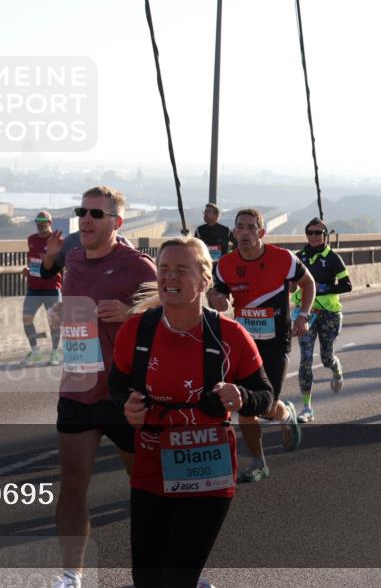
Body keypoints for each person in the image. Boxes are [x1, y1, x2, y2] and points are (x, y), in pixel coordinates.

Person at [110, 237, 274, 588]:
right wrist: (128, 406)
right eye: (164, 269)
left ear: (204, 280)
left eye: (181, 269)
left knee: (176, 578)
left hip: (207, 474)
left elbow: (264, 395)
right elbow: (116, 385)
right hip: (151, 469)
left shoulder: (230, 335)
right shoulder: (136, 331)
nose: (170, 277)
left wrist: (239, 395)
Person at [38, 186, 157, 588]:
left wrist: (130, 313)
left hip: (124, 393)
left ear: (116, 222)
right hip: (77, 386)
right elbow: (77, 303)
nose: (85, 219)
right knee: (72, 484)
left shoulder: (138, 266)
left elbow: (168, 317)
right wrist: (60, 313)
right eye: (81, 211)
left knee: (146, 486)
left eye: (96, 214)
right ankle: (72, 575)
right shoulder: (72, 258)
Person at [207, 208, 315, 482]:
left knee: (266, 406)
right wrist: (216, 300)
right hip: (244, 344)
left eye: (251, 227)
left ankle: (285, 413)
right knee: (244, 404)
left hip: (275, 342)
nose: (244, 232)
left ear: (261, 233)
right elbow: (219, 297)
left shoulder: (282, 258)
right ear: (233, 232)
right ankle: (258, 463)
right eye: (240, 227)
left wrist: (303, 315)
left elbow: (308, 282)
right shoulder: (225, 265)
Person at [291, 218, 352, 422]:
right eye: (310, 232)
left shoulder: (333, 258)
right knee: (305, 359)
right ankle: (307, 407)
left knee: (326, 357)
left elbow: (347, 285)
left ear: (325, 235)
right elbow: (290, 284)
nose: (314, 236)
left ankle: (336, 370)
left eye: (318, 232)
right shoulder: (299, 257)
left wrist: (324, 287)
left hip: (329, 313)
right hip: (306, 313)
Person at [22, 211, 62, 365]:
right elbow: (31, 260)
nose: (40, 223)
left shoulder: (57, 240)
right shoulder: (31, 239)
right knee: (26, 319)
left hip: (52, 288)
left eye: (43, 221)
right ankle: (35, 352)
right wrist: (27, 269)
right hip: (34, 287)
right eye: (37, 221)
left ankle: (54, 353)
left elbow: (60, 264)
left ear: (50, 223)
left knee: (54, 322)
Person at [195, 203, 236, 268]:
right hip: (205, 266)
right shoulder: (199, 230)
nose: (205, 214)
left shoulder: (225, 230)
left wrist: (229, 258)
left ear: (216, 215)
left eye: (208, 212)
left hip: (221, 267)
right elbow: (194, 248)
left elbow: (236, 245)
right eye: (204, 212)